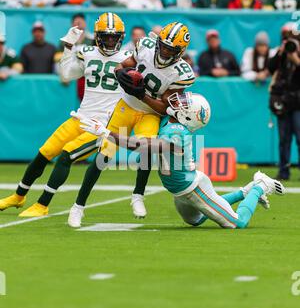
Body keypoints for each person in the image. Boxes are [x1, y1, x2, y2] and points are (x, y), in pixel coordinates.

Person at [78, 91, 285, 229]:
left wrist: (107, 134)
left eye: (185, 104)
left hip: (193, 188)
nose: (179, 102)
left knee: (237, 223)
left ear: (188, 116)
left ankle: (259, 185)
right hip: (181, 190)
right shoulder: (171, 122)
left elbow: (142, 146)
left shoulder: (177, 132)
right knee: (197, 220)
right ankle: (244, 192)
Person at [0, 13, 131, 217]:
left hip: (102, 127)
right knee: (44, 152)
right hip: (80, 118)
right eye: (106, 36)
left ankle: (43, 205)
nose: (111, 41)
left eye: (114, 37)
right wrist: (69, 46)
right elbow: (66, 74)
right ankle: (19, 196)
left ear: (121, 38)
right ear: (97, 36)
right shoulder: (87, 52)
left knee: (66, 155)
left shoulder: (128, 59)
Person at [67, 22, 195, 227]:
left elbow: (164, 108)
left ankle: (138, 195)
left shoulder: (182, 72)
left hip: (150, 113)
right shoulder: (145, 45)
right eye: (163, 45)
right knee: (103, 155)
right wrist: (120, 75)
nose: (164, 50)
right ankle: (78, 207)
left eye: (171, 49)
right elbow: (123, 66)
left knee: (146, 149)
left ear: (180, 51)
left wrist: (141, 94)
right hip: (125, 106)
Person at [268, 27, 300, 180]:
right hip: (283, 101)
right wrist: (280, 53)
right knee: (284, 138)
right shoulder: (281, 53)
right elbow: (270, 68)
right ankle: (283, 171)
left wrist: (297, 61)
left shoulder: (297, 54)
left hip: (298, 103)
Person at [56, 13, 94, 101]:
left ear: (85, 23)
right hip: (71, 71)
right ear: (72, 25)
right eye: (76, 22)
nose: (79, 24)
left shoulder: (93, 40)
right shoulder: (65, 41)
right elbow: (58, 59)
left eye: (81, 21)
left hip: (87, 74)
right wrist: (63, 74)